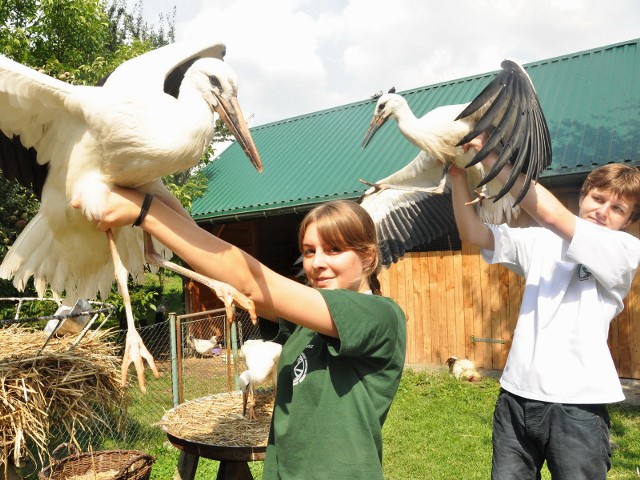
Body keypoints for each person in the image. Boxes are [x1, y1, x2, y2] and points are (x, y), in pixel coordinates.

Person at [83, 194, 407, 480]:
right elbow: (228, 275)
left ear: (367, 257)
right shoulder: (309, 325)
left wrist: (144, 211)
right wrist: (156, 191)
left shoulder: (379, 316)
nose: (317, 263)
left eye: (334, 249)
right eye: (309, 251)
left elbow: (250, 282)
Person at [450, 134, 640, 480]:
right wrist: (458, 176)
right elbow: (475, 233)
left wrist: (491, 158)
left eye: (618, 209)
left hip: (578, 406)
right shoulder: (541, 240)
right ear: (583, 196)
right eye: (598, 198)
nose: (603, 211)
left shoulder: (623, 251)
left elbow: (552, 215)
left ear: (627, 221)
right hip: (516, 398)